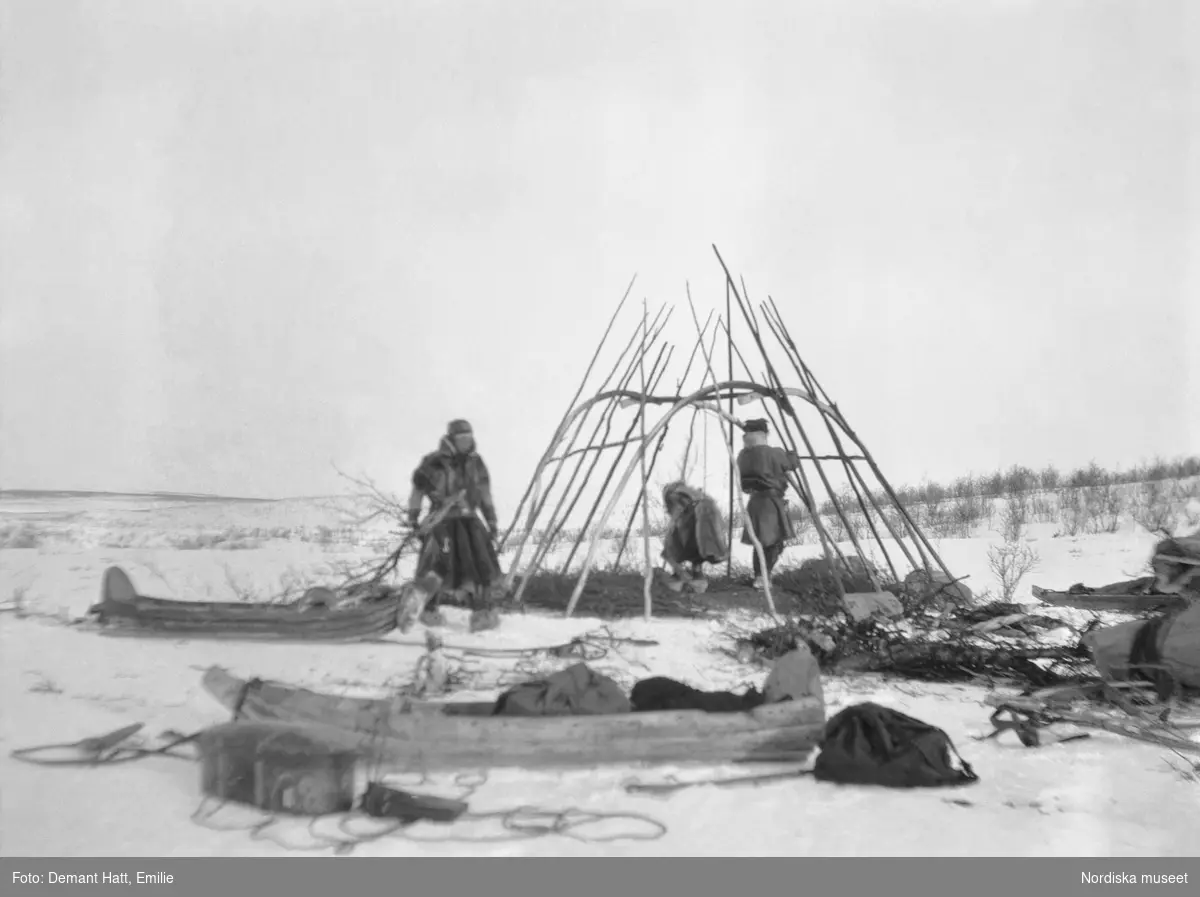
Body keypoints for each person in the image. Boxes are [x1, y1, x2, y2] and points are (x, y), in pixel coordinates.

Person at [407, 419, 503, 632]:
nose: (466, 442)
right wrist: (413, 518)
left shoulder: (476, 463)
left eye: (469, 437)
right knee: (435, 567)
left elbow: (485, 494)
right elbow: (417, 492)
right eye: (461, 438)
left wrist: (492, 521)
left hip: (470, 523)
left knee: (479, 567)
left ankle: (482, 614)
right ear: (451, 439)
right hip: (442, 523)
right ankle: (427, 611)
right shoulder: (433, 463)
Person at [736, 418, 800, 589]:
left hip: (754, 503)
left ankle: (760, 576)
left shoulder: (742, 456)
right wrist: (792, 454)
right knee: (774, 543)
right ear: (764, 435)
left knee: (761, 542)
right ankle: (762, 577)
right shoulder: (774, 453)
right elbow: (792, 463)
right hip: (771, 503)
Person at [659, 480, 727, 592]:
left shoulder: (675, 496)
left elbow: (677, 517)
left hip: (695, 523)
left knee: (675, 547)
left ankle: (681, 577)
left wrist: (669, 541)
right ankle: (697, 577)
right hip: (708, 529)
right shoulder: (697, 495)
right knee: (697, 551)